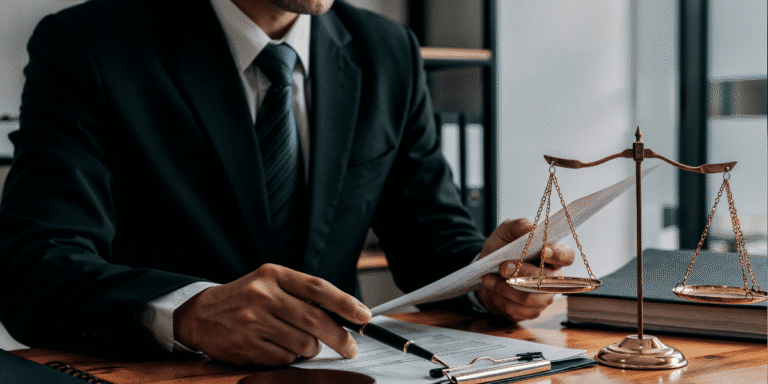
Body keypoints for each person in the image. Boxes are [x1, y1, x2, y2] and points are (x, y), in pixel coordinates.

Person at [0, 0, 574, 366]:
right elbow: (36, 271)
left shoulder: (386, 51)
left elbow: (432, 241)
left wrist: (490, 277)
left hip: (338, 373)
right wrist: (189, 312)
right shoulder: (89, 46)